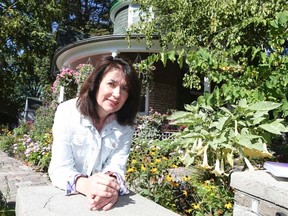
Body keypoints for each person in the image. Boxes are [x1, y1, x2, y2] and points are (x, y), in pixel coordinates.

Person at [48, 54, 141, 211]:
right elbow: (58, 168)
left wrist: (111, 188)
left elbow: (117, 167)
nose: (117, 94)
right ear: (96, 83)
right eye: (111, 84)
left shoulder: (126, 127)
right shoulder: (67, 112)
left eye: (124, 89)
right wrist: (86, 185)